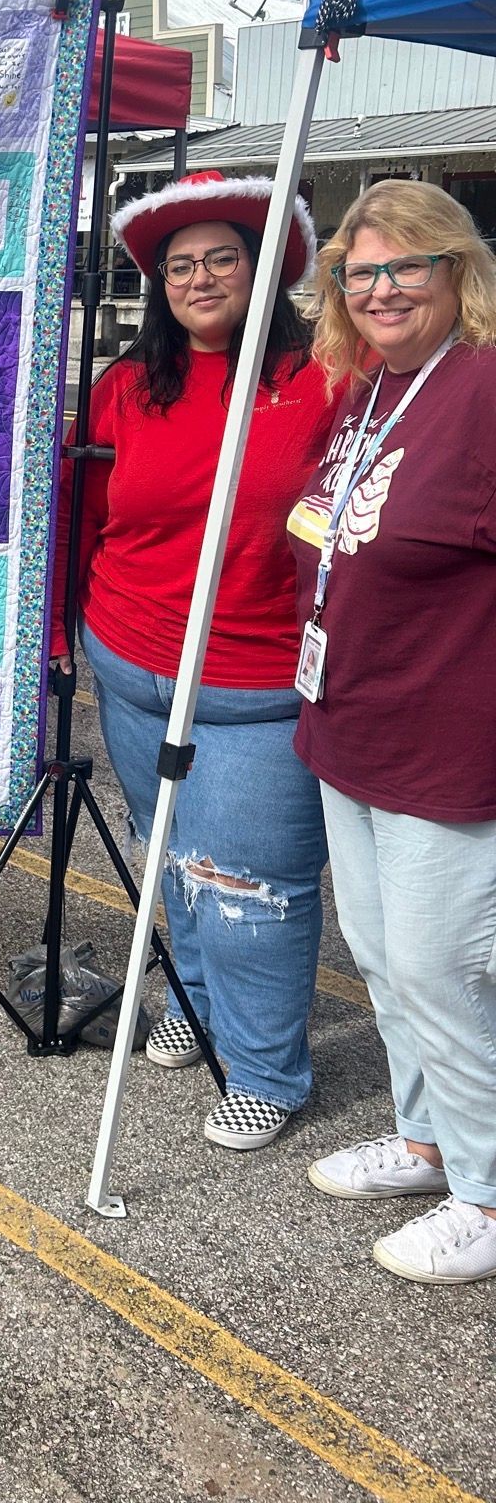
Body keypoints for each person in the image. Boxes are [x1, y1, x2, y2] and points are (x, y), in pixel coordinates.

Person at [52, 171, 338, 1149]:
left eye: (223, 256)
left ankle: (267, 1068)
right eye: (181, 264)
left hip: (258, 688)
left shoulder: (325, 381)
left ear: (263, 271)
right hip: (130, 666)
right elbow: (83, 519)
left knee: (252, 884)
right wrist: (63, 633)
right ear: (158, 285)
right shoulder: (125, 389)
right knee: (171, 858)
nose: (202, 276)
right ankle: (200, 1005)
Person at [291, 180, 496, 1283]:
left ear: (455, 271)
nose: (378, 289)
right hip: (350, 723)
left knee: (440, 965)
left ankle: (490, 1189)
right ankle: (427, 1142)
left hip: (445, 738)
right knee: (379, 956)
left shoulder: (484, 386)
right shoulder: (372, 392)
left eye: (403, 267)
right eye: (358, 271)